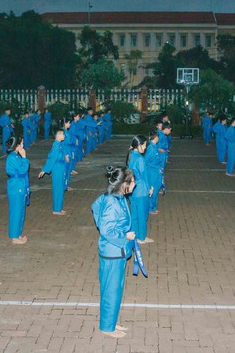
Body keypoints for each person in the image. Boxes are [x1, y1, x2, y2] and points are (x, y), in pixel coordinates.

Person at [91, 166, 136, 338]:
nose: (134, 184)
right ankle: (106, 327)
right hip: (112, 252)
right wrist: (125, 235)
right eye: (132, 182)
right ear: (124, 183)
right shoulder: (112, 201)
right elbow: (107, 230)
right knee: (111, 290)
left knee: (115, 289)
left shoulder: (116, 197)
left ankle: (110, 322)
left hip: (117, 251)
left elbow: (95, 206)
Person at [127, 135, 153, 244]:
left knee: (135, 214)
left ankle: (134, 235)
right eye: (144, 145)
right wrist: (150, 187)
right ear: (138, 145)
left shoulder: (132, 155)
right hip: (141, 189)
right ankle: (141, 237)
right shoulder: (140, 159)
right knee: (142, 214)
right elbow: (144, 175)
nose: (145, 148)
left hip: (133, 189)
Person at [5, 136, 30, 244]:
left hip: (20, 184)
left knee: (20, 211)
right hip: (16, 186)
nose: (23, 146)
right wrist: (24, 157)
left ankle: (17, 234)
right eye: (22, 144)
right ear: (17, 146)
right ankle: (14, 237)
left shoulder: (15, 156)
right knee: (16, 211)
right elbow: (23, 169)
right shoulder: (12, 157)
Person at [38, 128, 67, 215]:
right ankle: (56, 209)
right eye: (62, 134)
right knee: (58, 188)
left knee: (61, 188)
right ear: (58, 135)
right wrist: (45, 170)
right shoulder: (56, 145)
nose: (64, 136)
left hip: (60, 168)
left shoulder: (60, 144)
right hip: (57, 168)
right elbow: (51, 159)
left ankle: (59, 207)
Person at [144, 131, 164, 214]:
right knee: (152, 190)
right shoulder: (151, 148)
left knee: (155, 190)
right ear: (156, 138)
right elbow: (145, 161)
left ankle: (153, 207)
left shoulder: (153, 146)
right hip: (153, 172)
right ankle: (150, 208)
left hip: (157, 171)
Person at [61, 118, 74, 191]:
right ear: (65, 123)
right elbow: (63, 144)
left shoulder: (67, 132)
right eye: (69, 123)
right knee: (65, 171)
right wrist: (66, 155)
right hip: (66, 153)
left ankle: (66, 185)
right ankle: (64, 186)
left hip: (69, 151)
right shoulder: (63, 133)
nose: (70, 124)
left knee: (68, 170)